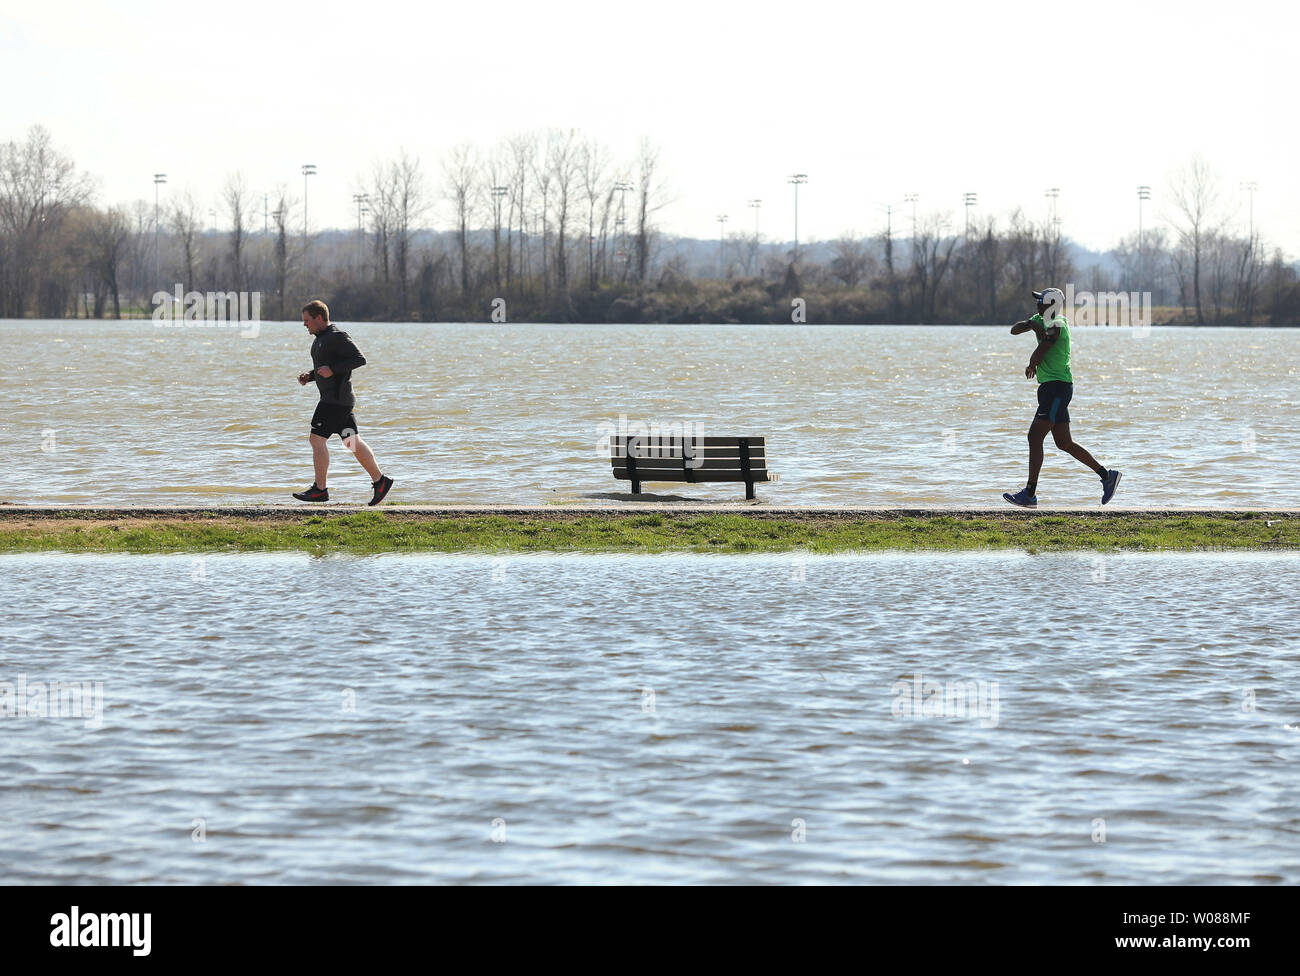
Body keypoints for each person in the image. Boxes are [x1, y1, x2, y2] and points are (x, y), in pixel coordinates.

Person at [1003, 288, 1120, 508]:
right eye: (1037, 301)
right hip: (1050, 389)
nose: (1037, 304)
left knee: (1034, 436)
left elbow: (1046, 345)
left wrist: (1031, 363)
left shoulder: (1058, 324)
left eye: (1041, 301)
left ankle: (1029, 494)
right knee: (1064, 443)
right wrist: (1031, 324)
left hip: (1058, 388)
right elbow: (1014, 330)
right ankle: (1107, 476)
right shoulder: (1041, 319)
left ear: (1052, 306)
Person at [292, 299, 394, 505]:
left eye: (307, 320)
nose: (305, 325)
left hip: (334, 402)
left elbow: (359, 359)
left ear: (319, 318)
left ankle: (320, 490)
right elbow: (327, 368)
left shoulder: (337, 336)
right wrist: (310, 377)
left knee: (316, 440)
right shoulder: (321, 338)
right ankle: (380, 481)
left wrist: (332, 370)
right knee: (351, 442)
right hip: (339, 401)